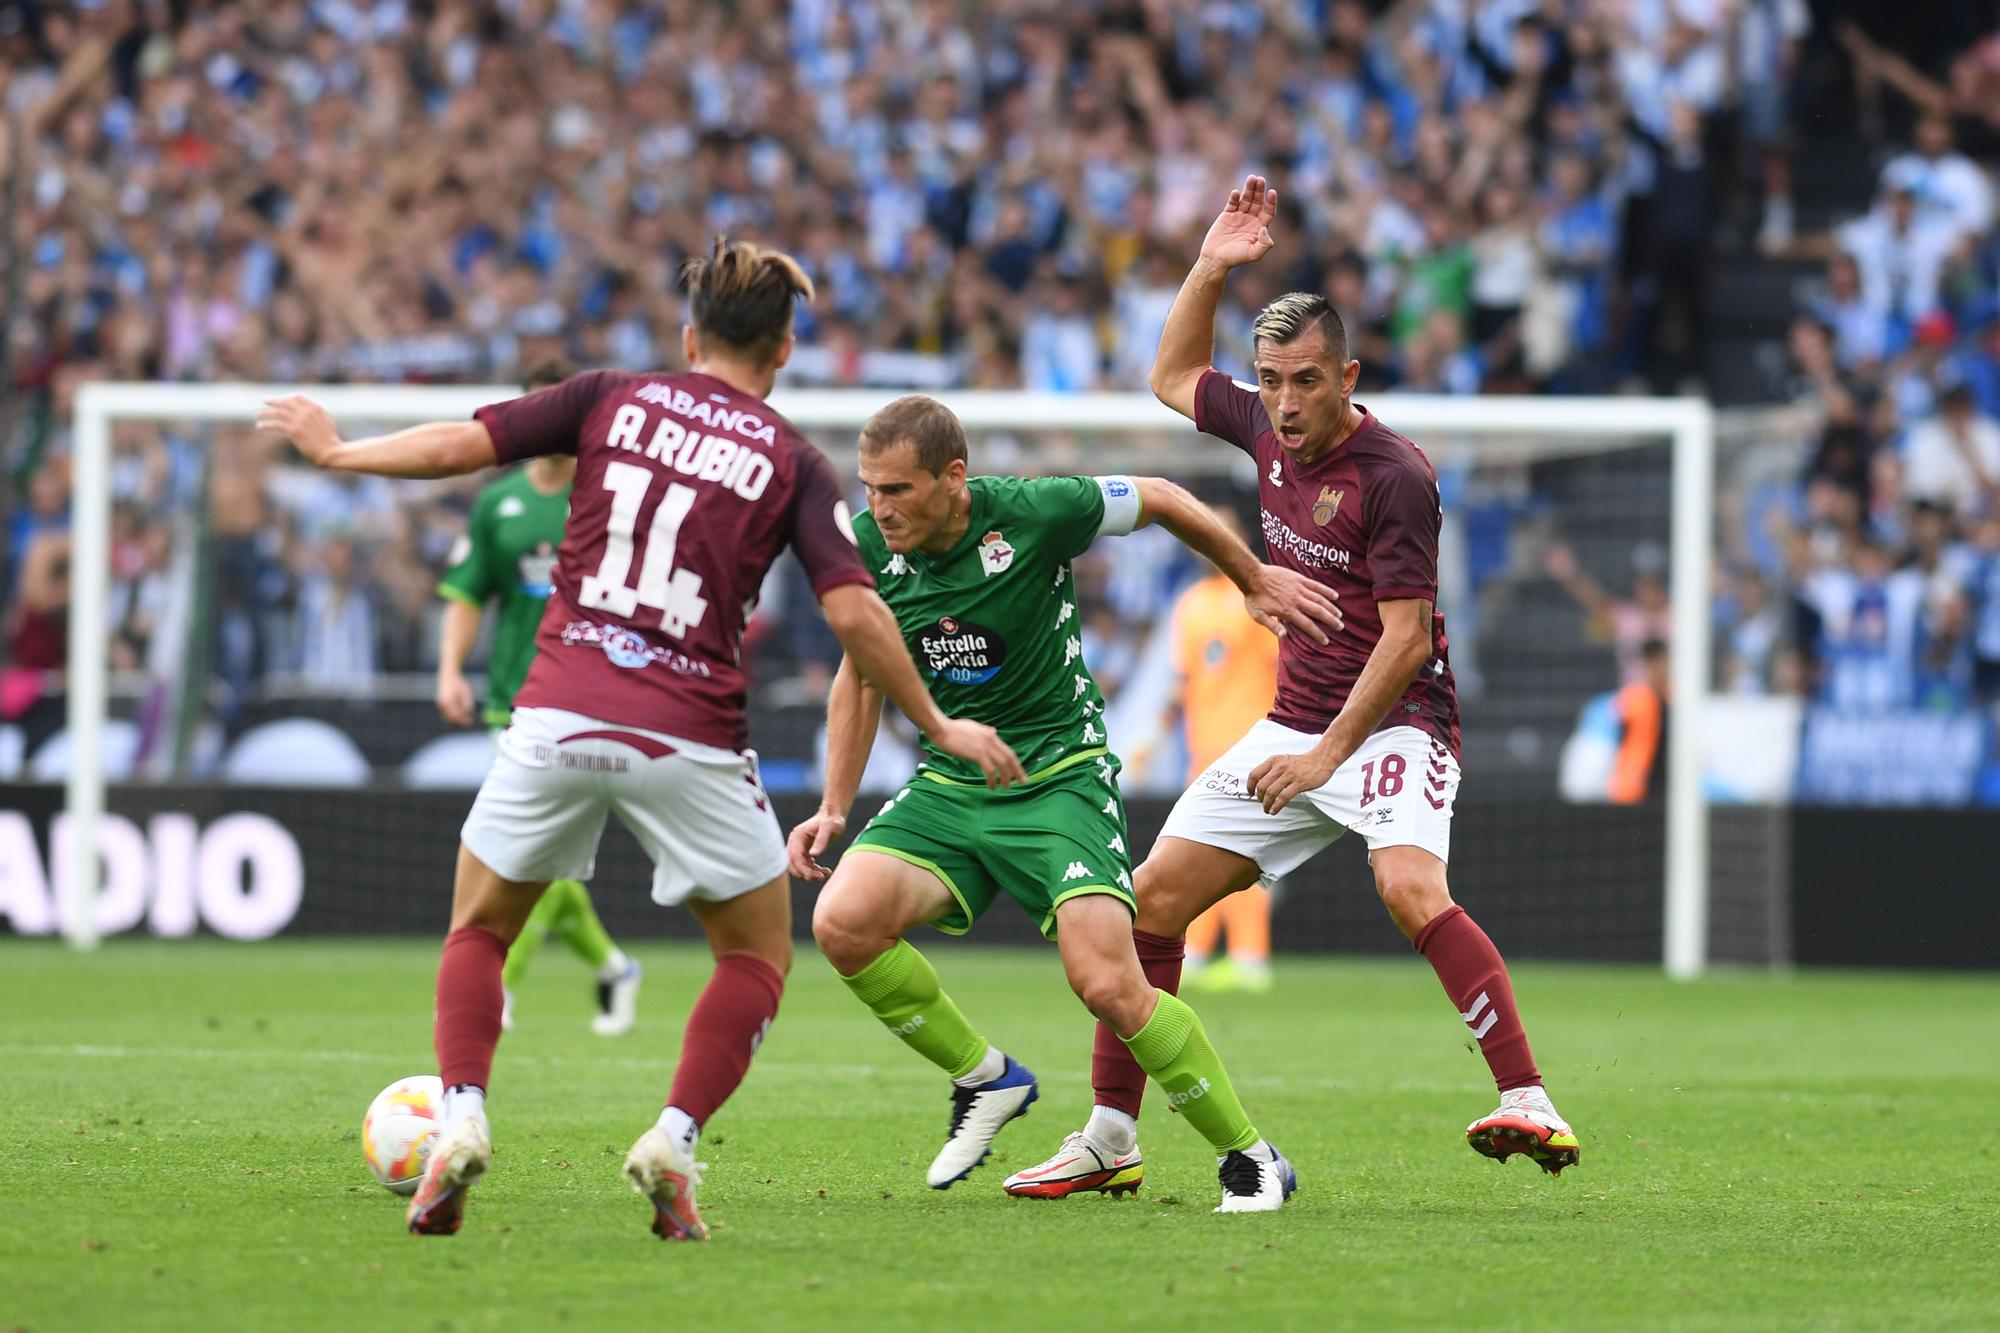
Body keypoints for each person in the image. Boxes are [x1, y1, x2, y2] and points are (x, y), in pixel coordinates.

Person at [258, 238, 1022, 1241]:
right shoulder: (792, 460)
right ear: (785, 349)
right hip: (688, 733)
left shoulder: (608, 398)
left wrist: (339, 448)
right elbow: (853, 610)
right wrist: (935, 723)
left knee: (480, 929)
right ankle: (672, 1137)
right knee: (754, 955)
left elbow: (464, 442)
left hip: (558, 707)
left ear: (686, 335)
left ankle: (463, 1116)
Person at [1009, 176, 1580, 1200]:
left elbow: (1405, 640)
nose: (1281, 401)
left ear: (1346, 374)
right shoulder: (1266, 434)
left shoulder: (1393, 474)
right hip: (1294, 725)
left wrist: (1324, 756)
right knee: (1146, 904)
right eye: (1270, 380)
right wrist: (1210, 265)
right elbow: (1172, 372)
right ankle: (1108, 1134)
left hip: (1396, 721)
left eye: (1304, 380)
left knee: (1406, 887)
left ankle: (1526, 1096)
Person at [788, 393, 1342, 1213]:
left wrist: (1251, 577)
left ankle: (1250, 1155)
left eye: (898, 490)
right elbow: (858, 671)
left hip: (1060, 773)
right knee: (842, 921)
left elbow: (1162, 495)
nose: (880, 508)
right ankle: (987, 1079)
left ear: (954, 478)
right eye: (870, 487)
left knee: (1108, 982)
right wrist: (835, 805)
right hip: (950, 783)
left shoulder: (1039, 511)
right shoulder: (868, 547)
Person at [435, 358, 642, 1038]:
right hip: (514, 702)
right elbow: (469, 592)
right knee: (543, 859)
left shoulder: (610, 493)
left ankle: (501, 986)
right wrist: (448, 669)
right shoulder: (500, 503)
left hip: (595, 699)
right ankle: (612, 966)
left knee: (539, 857)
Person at [1159, 509, 1281, 994]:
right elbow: (1184, 680)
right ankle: (1197, 953)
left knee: (1241, 853)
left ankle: (1251, 957)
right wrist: (1153, 735)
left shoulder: (1256, 599)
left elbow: (1283, 667)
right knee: (1195, 855)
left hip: (1250, 744)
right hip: (1201, 749)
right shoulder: (1191, 604)